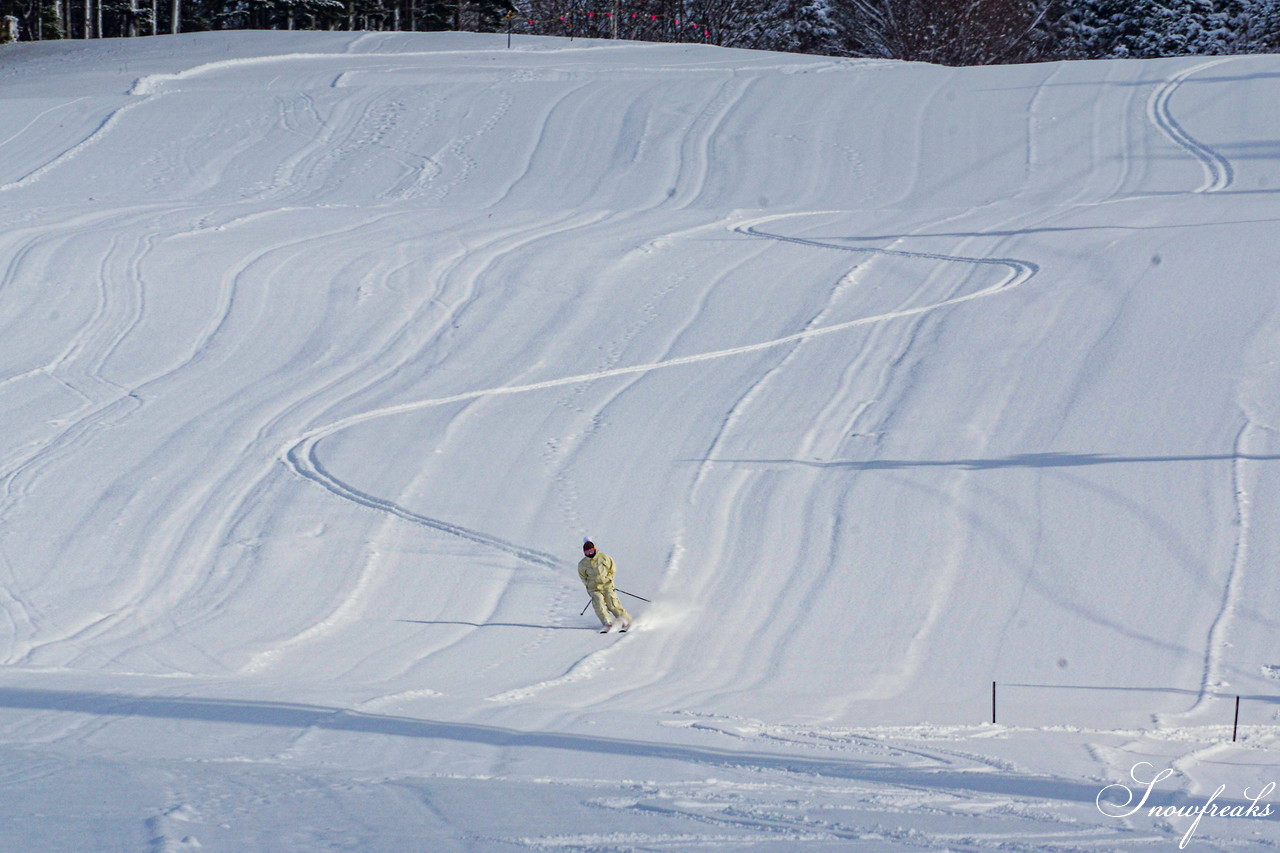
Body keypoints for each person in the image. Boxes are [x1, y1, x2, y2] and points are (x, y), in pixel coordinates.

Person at [578, 539, 631, 632]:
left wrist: (609, 579)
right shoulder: (583, 564)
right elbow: (583, 577)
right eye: (587, 552)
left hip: (607, 585)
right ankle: (607, 622)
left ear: (594, 549)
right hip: (594, 588)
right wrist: (589, 585)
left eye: (591, 551)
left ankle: (625, 621)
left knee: (612, 604)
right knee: (598, 602)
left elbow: (612, 569)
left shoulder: (603, 557)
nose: (589, 554)